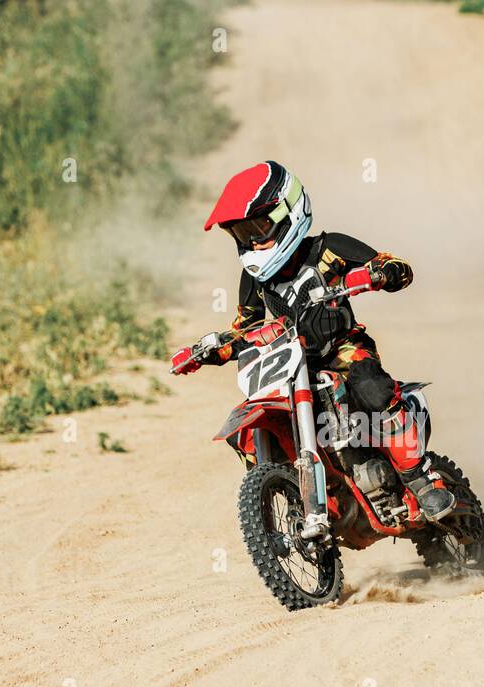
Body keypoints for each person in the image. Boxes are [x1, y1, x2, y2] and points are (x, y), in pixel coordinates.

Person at [171, 160, 455, 520]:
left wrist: (381, 272)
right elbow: (245, 327)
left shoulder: (328, 248)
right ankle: (286, 495)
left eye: (258, 227)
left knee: (372, 388)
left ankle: (421, 479)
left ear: (286, 212)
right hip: (293, 363)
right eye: (242, 234)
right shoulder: (256, 280)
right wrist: (209, 350)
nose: (252, 240)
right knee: (249, 419)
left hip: (341, 348)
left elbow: (391, 264)